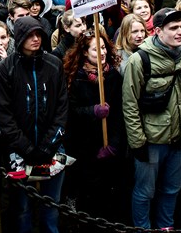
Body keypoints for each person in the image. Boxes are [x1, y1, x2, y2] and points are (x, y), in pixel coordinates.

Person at [122, 8, 181, 230]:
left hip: (180, 136)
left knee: (171, 189)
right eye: (173, 28)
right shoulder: (140, 60)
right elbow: (130, 104)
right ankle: (143, 228)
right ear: (158, 31)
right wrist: (137, 141)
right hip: (152, 140)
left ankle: (165, 227)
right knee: (145, 192)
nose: (180, 32)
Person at [0, 16, 68, 233]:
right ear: (19, 38)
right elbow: (5, 116)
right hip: (19, 153)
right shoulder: (5, 69)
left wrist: (47, 146)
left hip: (52, 149)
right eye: (30, 35)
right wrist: (26, 148)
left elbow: (62, 109)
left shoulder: (54, 65)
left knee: (51, 204)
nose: (35, 39)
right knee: (22, 207)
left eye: (39, 34)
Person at [62, 29, 127, 222]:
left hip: (106, 145)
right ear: (84, 52)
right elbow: (70, 112)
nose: (102, 52)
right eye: (95, 49)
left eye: (104, 47)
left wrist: (113, 143)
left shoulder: (113, 76)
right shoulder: (75, 77)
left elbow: (119, 115)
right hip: (84, 146)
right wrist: (92, 111)